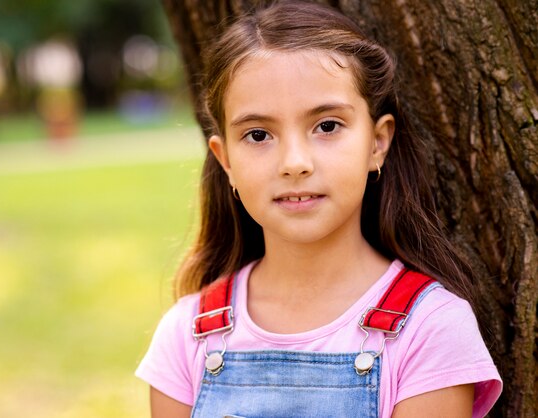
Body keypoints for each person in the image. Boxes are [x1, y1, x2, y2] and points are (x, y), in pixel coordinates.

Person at [136, 1, 502, 417]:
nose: (295, 162)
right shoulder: (187, 334)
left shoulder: (432, 328)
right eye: (258, 134)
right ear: (226, 162)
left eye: (327, 126)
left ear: (377, 143)